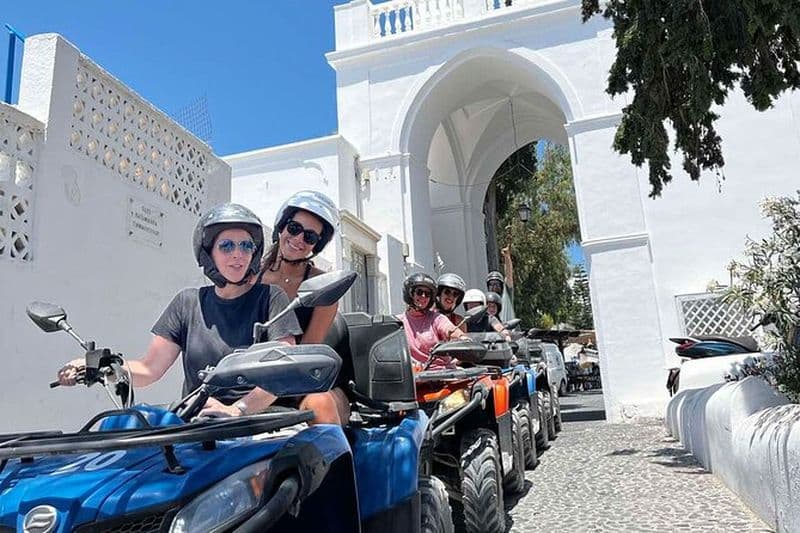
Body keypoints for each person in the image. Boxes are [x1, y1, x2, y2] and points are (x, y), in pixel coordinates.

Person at [56, 203, 304, 419]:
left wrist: (237, 410)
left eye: (245, 245)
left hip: (256, 422)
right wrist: (101, 367)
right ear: (209, 254)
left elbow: (281, 369)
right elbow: (150, 368)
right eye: (226, 246)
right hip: (197, 422)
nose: (238, 254)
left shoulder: (271, 298)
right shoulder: (187, 303)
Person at [257, 190, 350, 425]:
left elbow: (306, 353)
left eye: (310, 237)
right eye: (294, 228)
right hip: (254, 378)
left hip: (308, 381)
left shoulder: (323, 286)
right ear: (281, 226)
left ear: (316, 245)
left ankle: (336, 461)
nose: (299, 239)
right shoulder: (252, 278)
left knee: (320, 404)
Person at [399, 273, 466, 370]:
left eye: (427, 294)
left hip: (441, 375)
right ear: (410, 294)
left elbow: (449, 329)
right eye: (419, 292)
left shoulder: (437, 318)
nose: (423, 296)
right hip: (412, 377)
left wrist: (462, 338)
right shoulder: (398, 322)